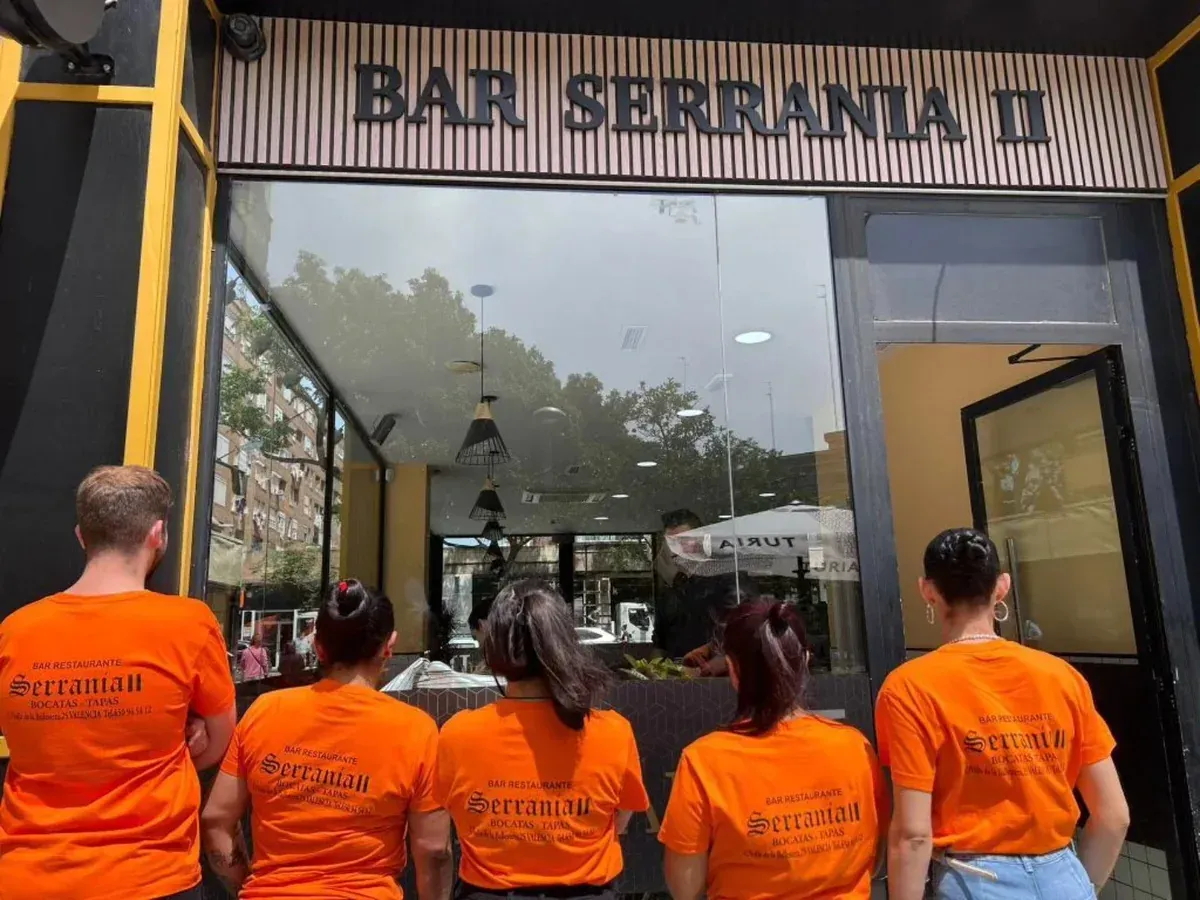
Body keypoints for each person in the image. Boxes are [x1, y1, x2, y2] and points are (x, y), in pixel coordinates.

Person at [0, 465, 237, 900]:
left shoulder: (15, 631)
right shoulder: (188, 624)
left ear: (80, 535)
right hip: (151, 878)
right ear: (157, 534)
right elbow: (222, 741)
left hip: (26, 877)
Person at [876, 528, 1130, 900]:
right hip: (1063, 873)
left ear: (927, 591)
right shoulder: (1062, 677)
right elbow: (1113, 815)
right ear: (1002, 586)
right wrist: (1077, 885)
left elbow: (913, 835)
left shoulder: (909, 688)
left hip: (972, 879)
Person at [201, 578, 453, 899]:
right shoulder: (415, 729)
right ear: (388, 646)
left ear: (318, 646)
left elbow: (216, 820)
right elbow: (434, 849)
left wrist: (249, 886)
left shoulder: (266, 711)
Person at [659, 598, 886, 899]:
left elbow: (685, 887)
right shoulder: (855, 747)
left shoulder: (703, 761)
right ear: (805, 661)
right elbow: (877, 854)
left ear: (732, 669)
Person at [435, 579, 649, 899]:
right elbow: (617, 821)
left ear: (494, 646)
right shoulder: (612, 732)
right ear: (566, 643)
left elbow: (453, 822)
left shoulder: (457, 734)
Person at [652, 509, 743, 675]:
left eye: (684, 541)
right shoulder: (671, 589)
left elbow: (745, 633)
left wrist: (705, 670)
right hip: (676, 681)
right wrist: (654, 672)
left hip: (719, 683)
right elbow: (660, 642)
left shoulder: (728, 578)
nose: (676, 549)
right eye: (671, 542)